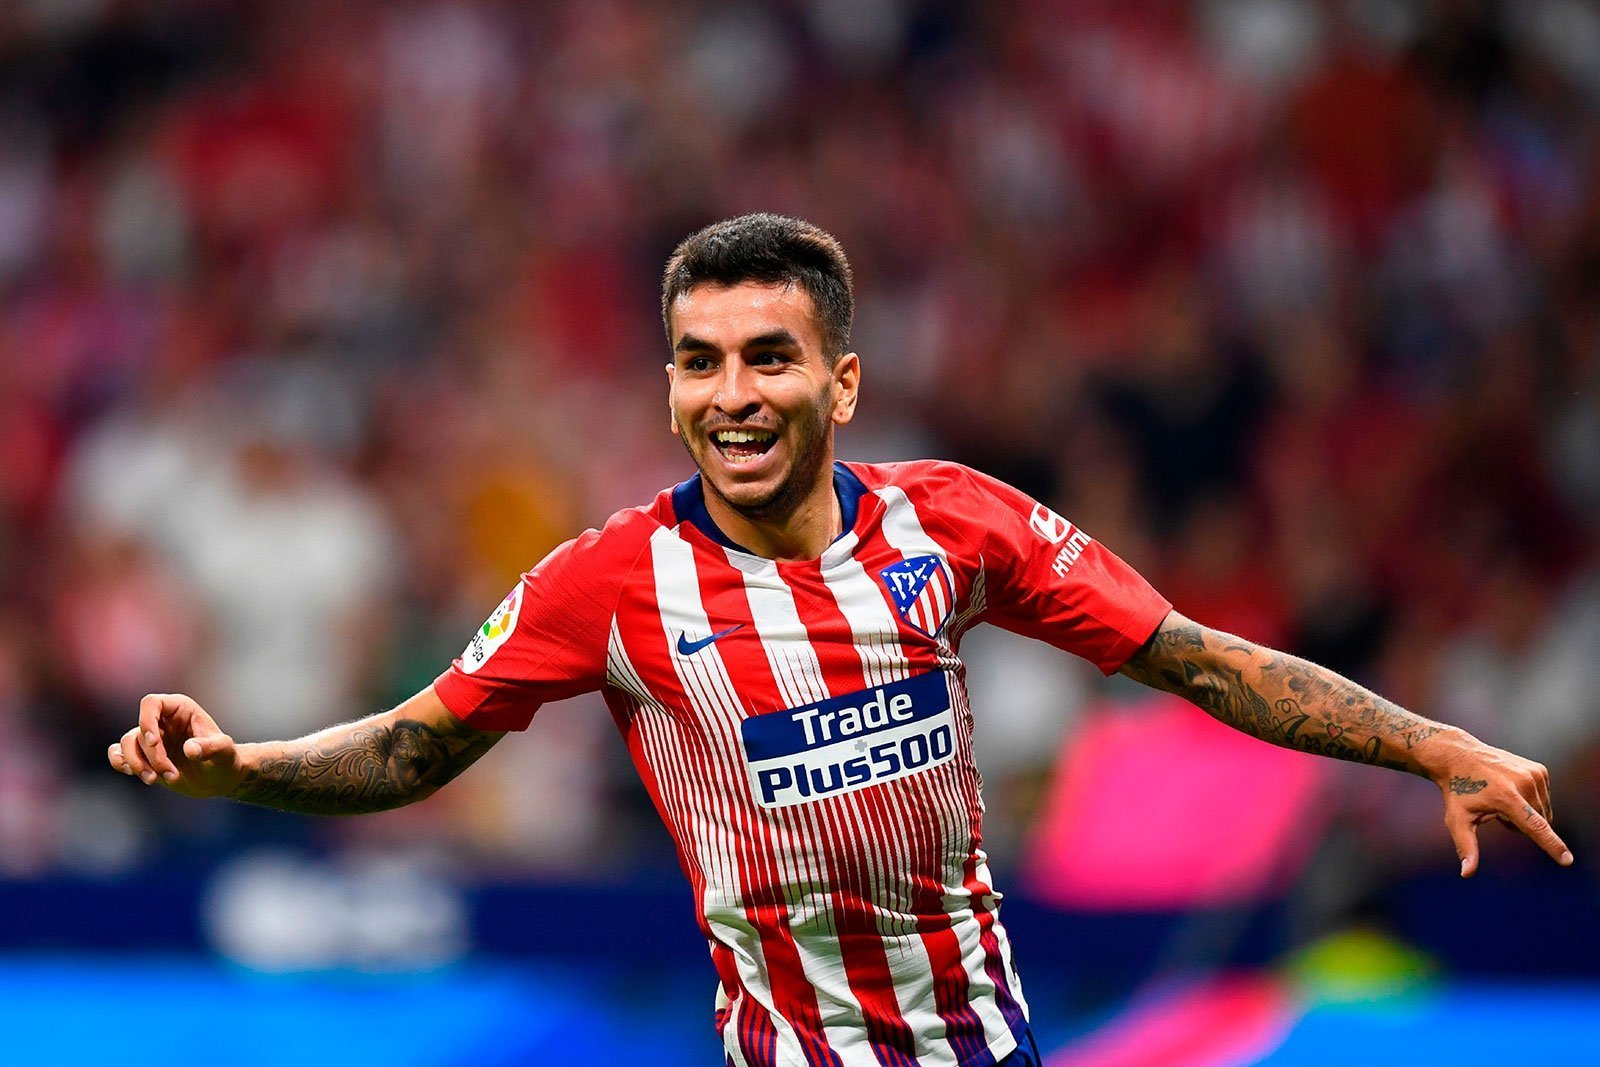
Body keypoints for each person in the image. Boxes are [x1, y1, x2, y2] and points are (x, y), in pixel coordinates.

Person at [110, 214, 1572, 1067]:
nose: (732, 395)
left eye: (770, 357)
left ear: (844, 381)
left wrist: (1431, 744)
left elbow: (1196, 657)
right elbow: (414, 745)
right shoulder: (607, 582)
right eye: (699, 362)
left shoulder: (958, 523)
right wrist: (244, 766)